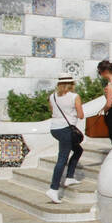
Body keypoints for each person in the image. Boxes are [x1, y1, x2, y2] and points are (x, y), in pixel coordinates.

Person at [46, 74, 85, 204]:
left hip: (55, 129)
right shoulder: (75, 97)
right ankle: (53, 189)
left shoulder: (52, 97)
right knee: (62, 159)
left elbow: (53, 112)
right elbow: (80, 115)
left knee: (78, 150)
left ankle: (69, 177)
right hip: (66, 130)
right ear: (71, 84)